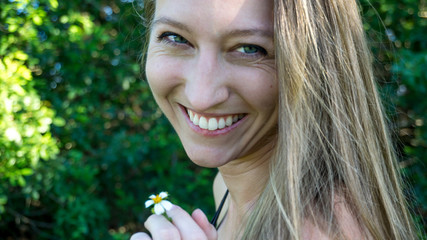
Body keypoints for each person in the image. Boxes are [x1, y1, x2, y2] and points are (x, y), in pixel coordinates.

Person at [131, 0, 419, 239]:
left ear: (317, 69)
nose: (201, 97)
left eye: (249, 48)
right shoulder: (227, 189)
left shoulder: (323, 231)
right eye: (176, 38)